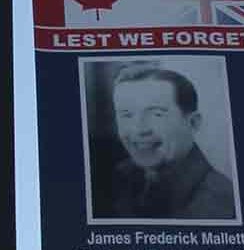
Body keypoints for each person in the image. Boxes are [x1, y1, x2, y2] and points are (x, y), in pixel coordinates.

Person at [97, 64, 236, 220]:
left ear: (193, 123)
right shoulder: (117, 179)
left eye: (157, 114)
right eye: (126, 115)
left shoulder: (221, 203)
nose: (138, 129)